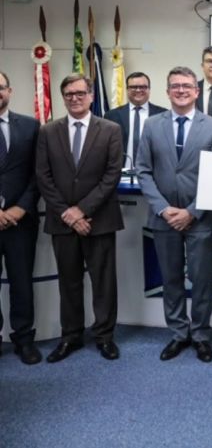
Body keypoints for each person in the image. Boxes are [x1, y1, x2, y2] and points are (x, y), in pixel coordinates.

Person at [136, 66, 212, 363]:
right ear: (168, 91)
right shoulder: (151, 125)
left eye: (187, 86)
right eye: (175, 86)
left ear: (197, 91)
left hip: (200, 218)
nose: (181, 90)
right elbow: (143, 171)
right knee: (171, 278)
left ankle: (200, 335)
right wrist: (163, 208)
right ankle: (178, 333)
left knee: (201, 280)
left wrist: (192, 211)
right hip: (164, 218)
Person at [36, 73, 124, 362]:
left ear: (91, 96)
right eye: (69, 94)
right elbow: (43, 176)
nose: (74, 98)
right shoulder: (48, 131)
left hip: (100, 219)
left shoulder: (110, 129)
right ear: (63, 98)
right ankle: (70, 336)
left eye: (80, 93)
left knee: (104, 283)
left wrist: (82, 210)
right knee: (69, 282)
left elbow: (112, 174)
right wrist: (68, 214)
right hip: (62, 221)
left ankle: (105, 337)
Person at [0, 71, 42, 365]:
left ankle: (24, 338)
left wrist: (21, 208)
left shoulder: (30, 126)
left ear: (10, 91)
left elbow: (38, 173)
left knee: (22, 282)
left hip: (21, 221)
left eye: (0, 87)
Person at [104, 71, 166, 165]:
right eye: (133, 87)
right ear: (127, 89)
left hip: (153, 171)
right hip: (121, 171)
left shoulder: (163, 115)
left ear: (149, 89)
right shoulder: (111, 116)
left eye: (143, 87)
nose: (138, 90)